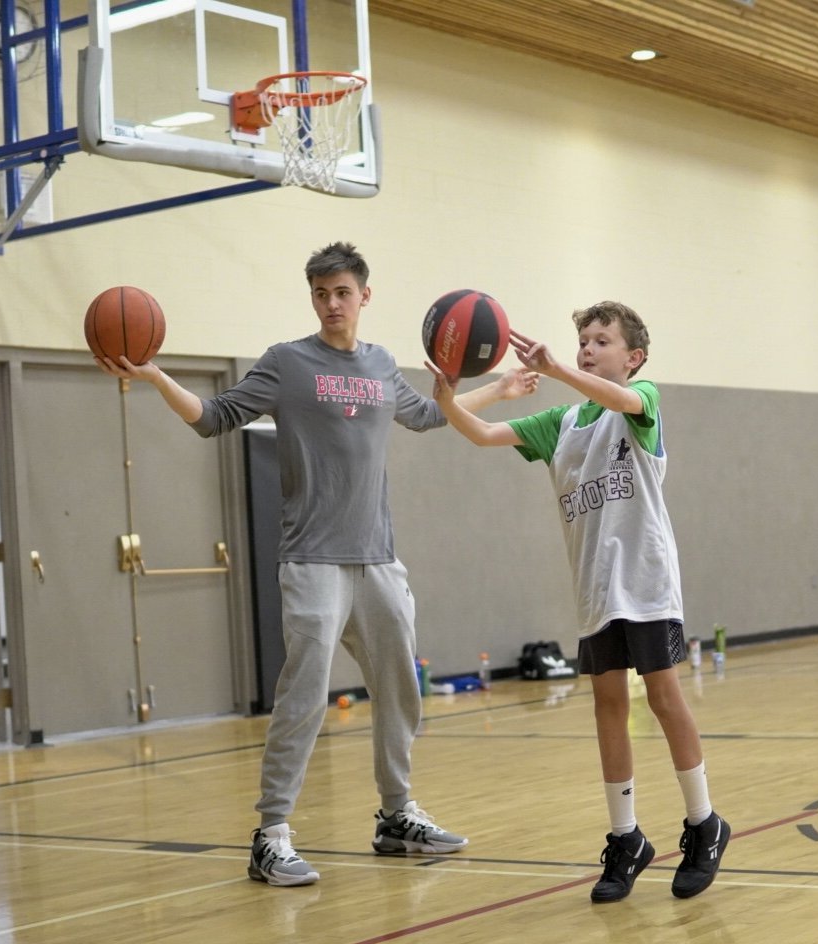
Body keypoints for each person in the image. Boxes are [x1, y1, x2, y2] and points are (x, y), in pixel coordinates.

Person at [94, 241, 538, 887]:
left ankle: (396, 816)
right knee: (302, 702)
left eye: (341, 292)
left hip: (378, 560)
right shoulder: (286, 363)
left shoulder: (383, 365)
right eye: (320, 293)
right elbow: (213, 418)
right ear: (313, 299)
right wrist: (158, 376)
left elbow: (427, 416)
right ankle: (271, 834)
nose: (331, 303)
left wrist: (495, 389)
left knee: (400, 694)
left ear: (364, 296)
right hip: (312, 562)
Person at [427, 301, 729, 903]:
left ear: (632, 356)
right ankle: (626, 839)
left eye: (601, 340)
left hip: (644, 582)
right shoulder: (562, 423)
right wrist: (447, 394)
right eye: (583, 340)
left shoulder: (643, 398)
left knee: (665, 697)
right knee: (607, 707)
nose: (589, 347)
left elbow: (623, 401)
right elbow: (482, 432)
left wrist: (562, 368)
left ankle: (703, 823)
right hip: (593, 587)